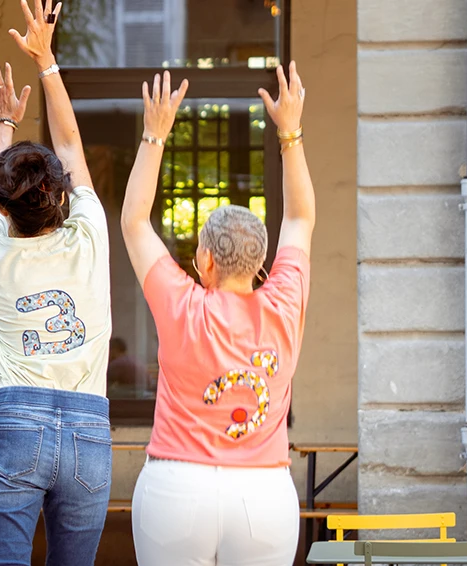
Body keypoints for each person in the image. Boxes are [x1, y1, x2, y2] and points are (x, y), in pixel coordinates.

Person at [120, 62, 313, 566]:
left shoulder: (181, 303)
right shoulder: (286, 298)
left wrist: (154, 134)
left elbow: (135, 220)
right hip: (265, 495)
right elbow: (299, 217)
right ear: (262, 263)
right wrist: (289, 132)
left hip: (176, 490)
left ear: (204, 260)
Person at [0, 1, 114, 563]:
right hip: (87, 425)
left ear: (3, 209)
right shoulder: (90, 236)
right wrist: (46, 61)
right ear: (61, 196)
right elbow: (71, 144)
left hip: (15, 420)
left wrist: (4, 122)